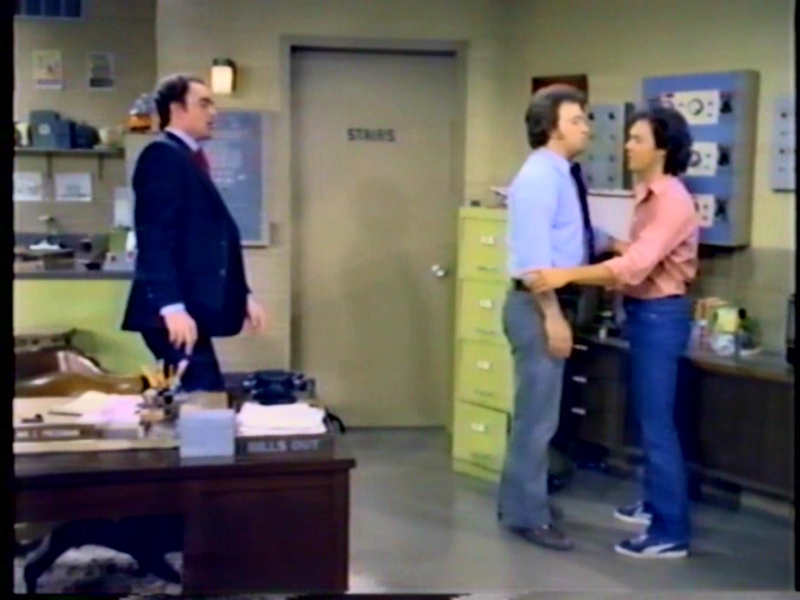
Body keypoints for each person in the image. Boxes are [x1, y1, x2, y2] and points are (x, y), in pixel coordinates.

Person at [528, 105, 699, 559]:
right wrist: (591, 235)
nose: (627, 146)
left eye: (638, 139)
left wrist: (567, 274)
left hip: (660, 316)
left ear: (662, 149)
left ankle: (670, 531)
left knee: (658, 425)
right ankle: (655, 503)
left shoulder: (672, 200)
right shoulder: (647, 194)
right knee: (648, 419)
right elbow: (637, 249)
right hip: (643, 313)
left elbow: (635, 265)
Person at [497, 84, 609, 551]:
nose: (587, 128)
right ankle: (527, 515)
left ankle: (521, 499)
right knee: (536, 419)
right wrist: (553, 318)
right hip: (538, 305)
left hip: (555, 301)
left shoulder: (562, 175)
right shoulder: (539, 177)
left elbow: (571, 230)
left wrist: (615, 244)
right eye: (576, 120)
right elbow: (535, 262)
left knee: (543, 415)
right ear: (551, 127)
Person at [122, 74, 266, 391]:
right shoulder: (162, 157)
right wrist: (171, 307)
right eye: (204, 104)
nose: (213, 112)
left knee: (202, 398)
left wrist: (243, 295)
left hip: (187, 309)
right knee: (204, 397)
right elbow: (155, 239)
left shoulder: (185, 158)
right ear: (176, 109)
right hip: (170, 313)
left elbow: (214, 236)